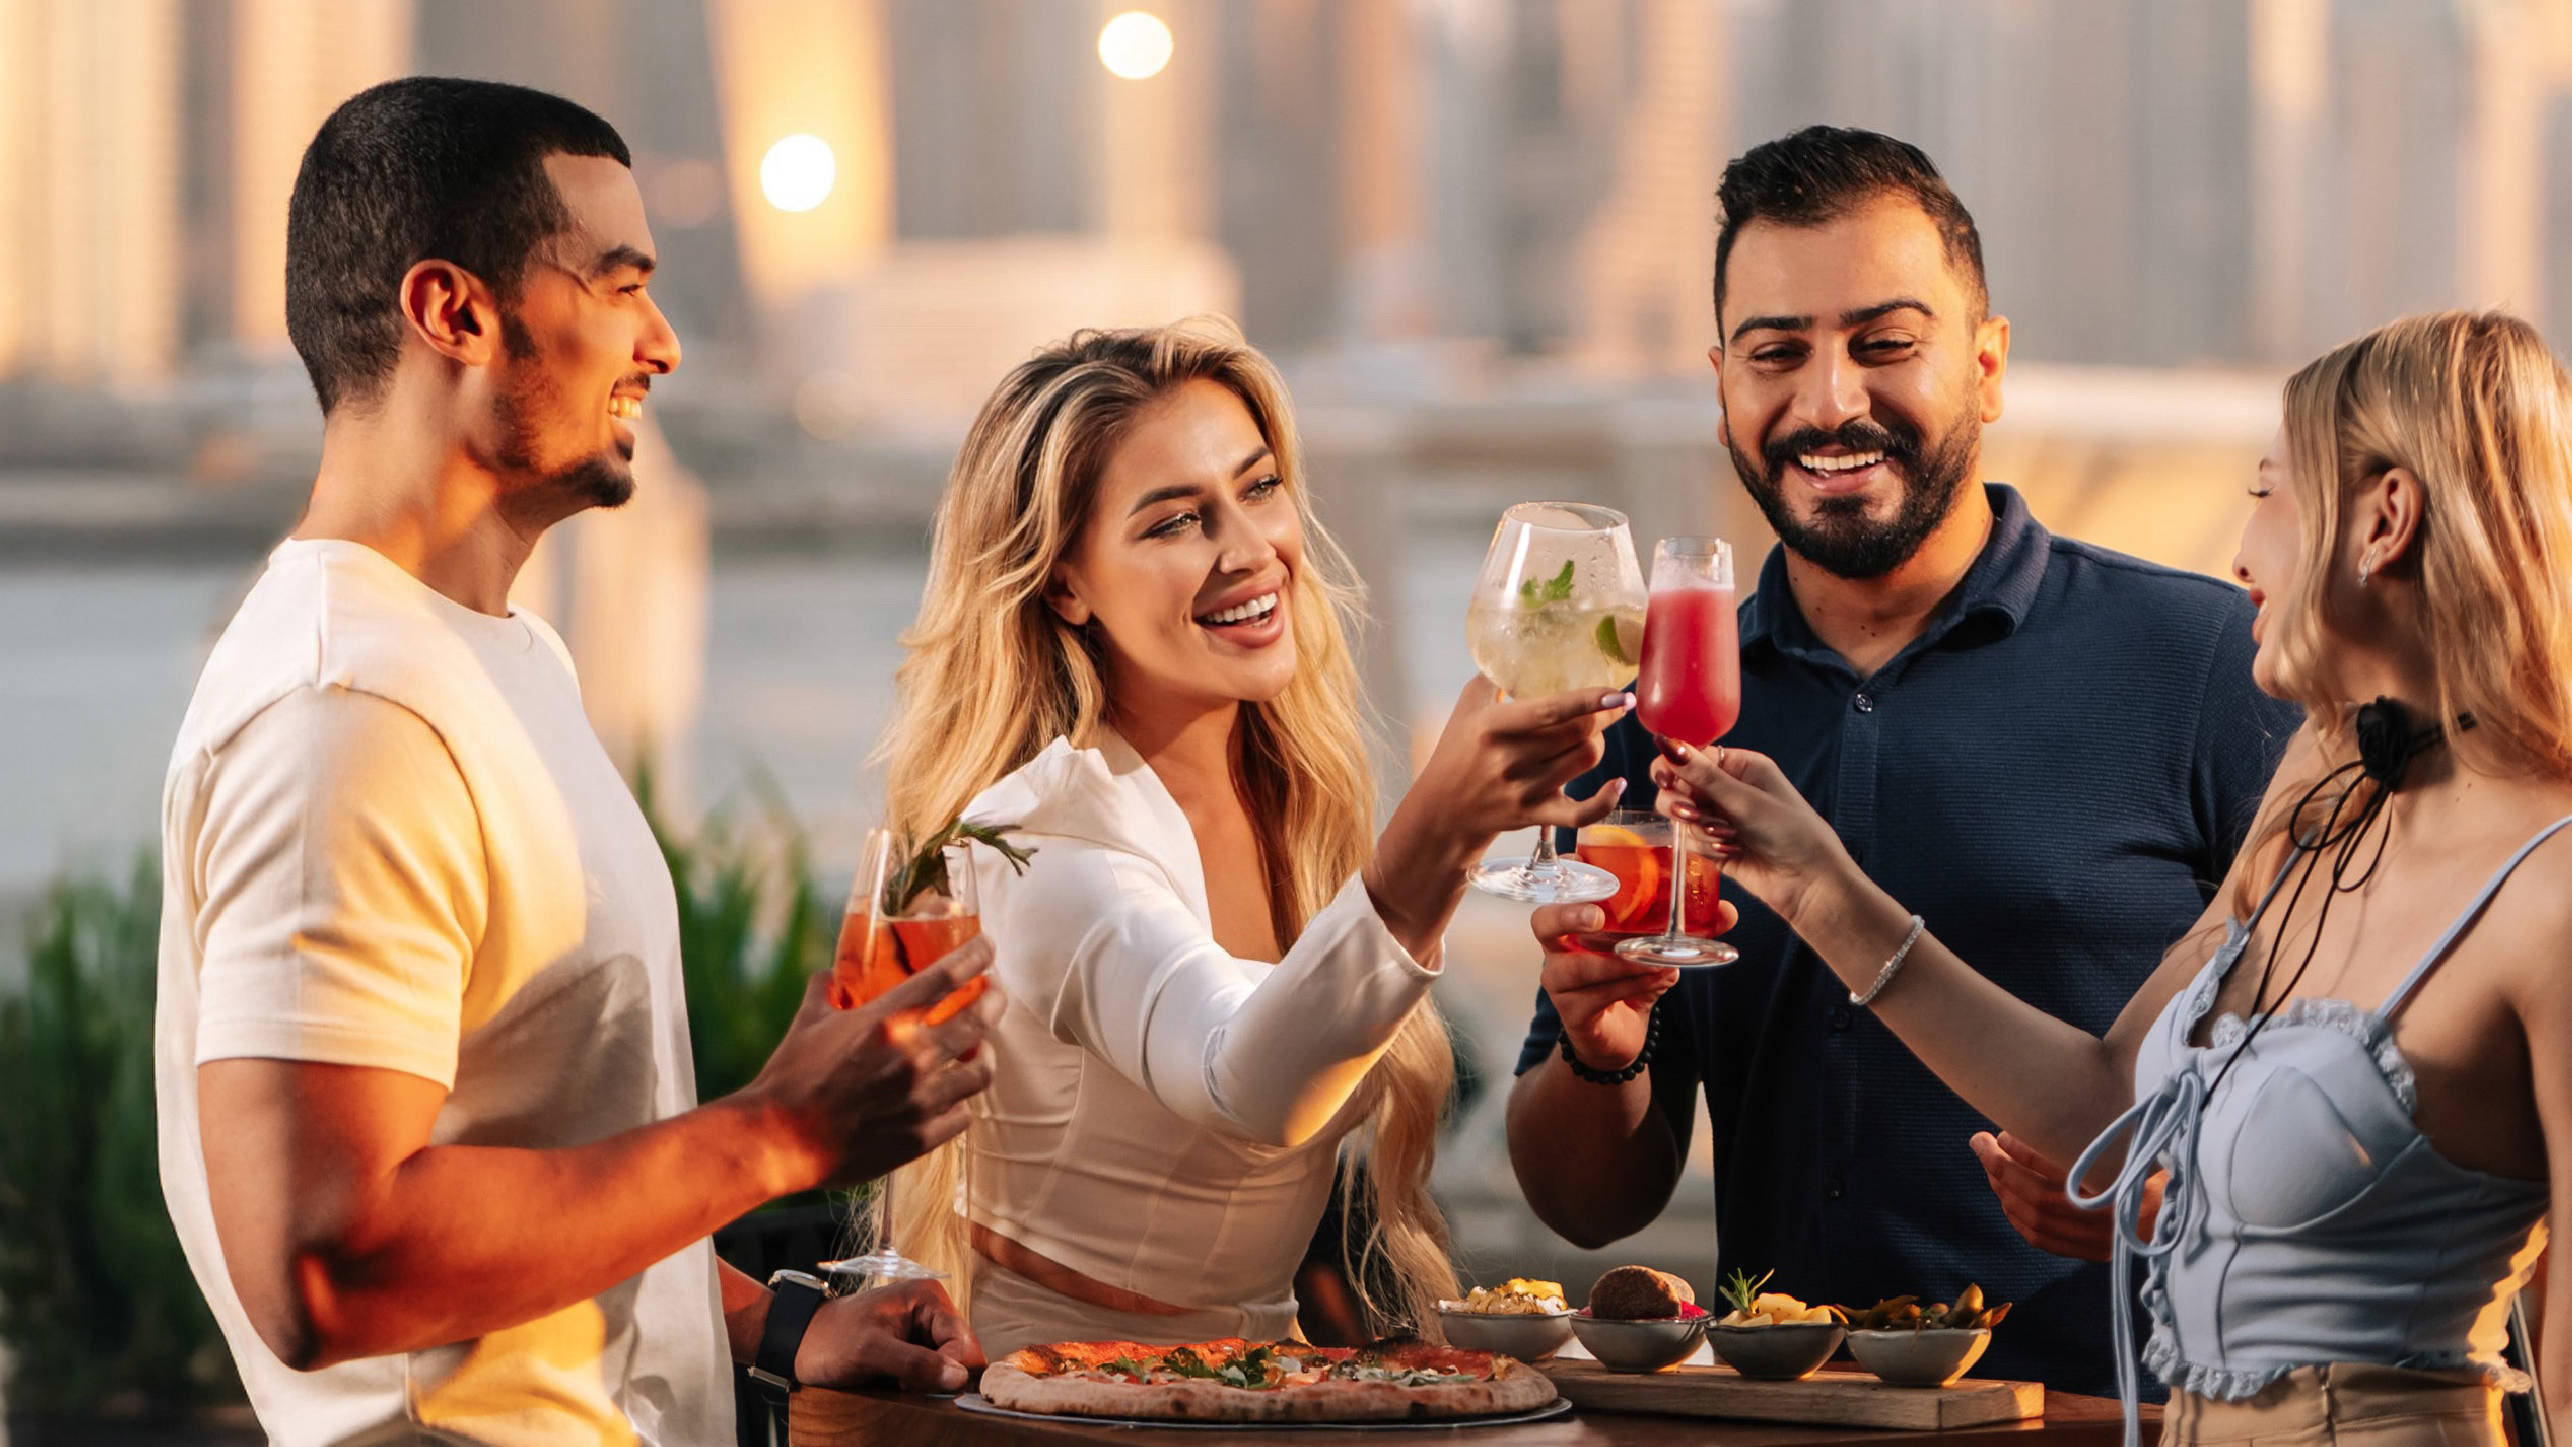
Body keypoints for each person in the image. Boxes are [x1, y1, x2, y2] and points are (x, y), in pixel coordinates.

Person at [155, 78, 1000, 1445]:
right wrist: (778, 1133)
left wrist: (775, 1321)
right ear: (453, 311)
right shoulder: (343, 711)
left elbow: (536, 1147)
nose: (663, 342)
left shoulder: (502, 657)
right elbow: (325, 1260)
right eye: (620, 286)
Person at [1655, 308, 2572, 1445]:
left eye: (2267, 493)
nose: (2241, 552)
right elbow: (2103, 1099)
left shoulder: (2551, 888)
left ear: (2384, 520)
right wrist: (1815, 890)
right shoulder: (2324, 791)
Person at [1504, 126, 2300, 1397]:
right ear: (1721, 384)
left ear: (1985, 365)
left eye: (1883, 343)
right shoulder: (1652, 714)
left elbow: (2363, 1100)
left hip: (2118, 1422)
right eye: (1776, 354)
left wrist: (2180, 1191)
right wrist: (1602, 1050)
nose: (1828, 403)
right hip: (1782, 1423)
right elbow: (1588, 1206)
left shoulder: (2209, 665)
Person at [868, 319, 1632, 1355]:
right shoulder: (1038, 842)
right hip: (1049, 1399)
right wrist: (1440, 838)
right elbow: (1250, 1085)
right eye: (1177, 521)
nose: (1250, 549)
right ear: (1064, 583)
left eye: (1259, 486)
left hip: (1259, 1384)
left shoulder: (1295, 797)